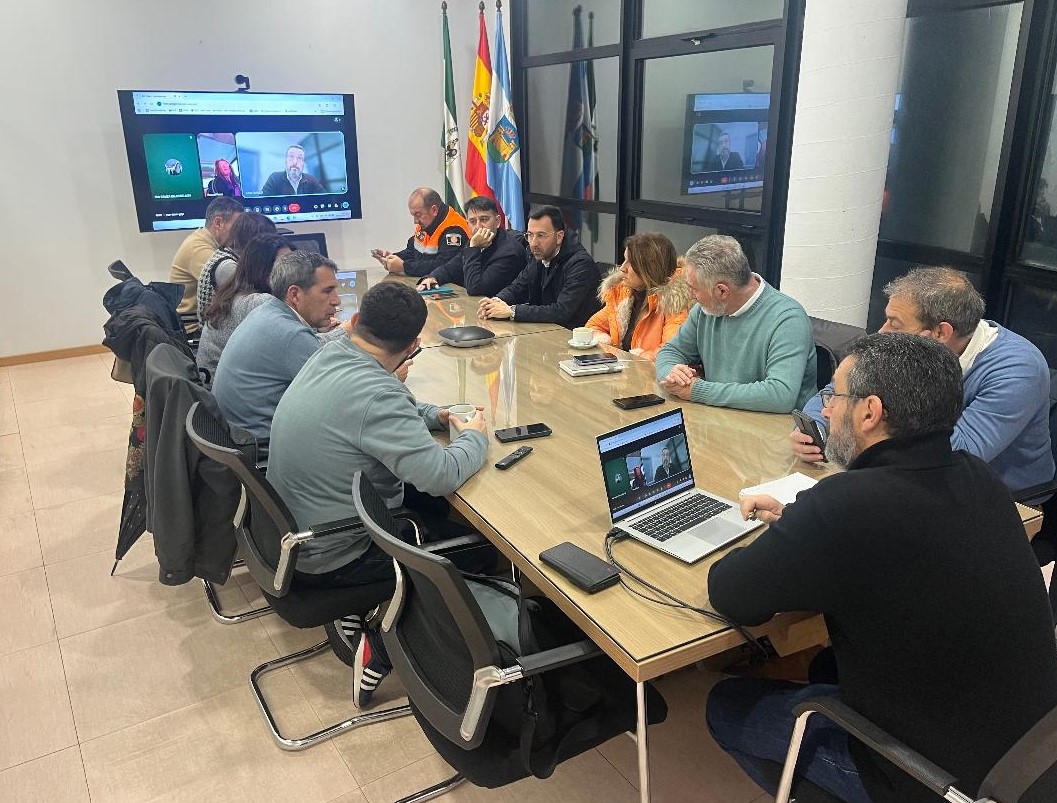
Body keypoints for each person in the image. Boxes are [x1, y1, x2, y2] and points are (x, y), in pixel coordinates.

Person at [705, 333, 1057, 803]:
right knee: (827, 663)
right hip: (1029, 753)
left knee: (724, 706)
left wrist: (803, 526)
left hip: (936, 783)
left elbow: (731, 594)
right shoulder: (980, 478)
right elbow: (895, 539)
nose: (825, 410)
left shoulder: (842, 508)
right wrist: (800, 520)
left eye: (834, 395)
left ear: (870, 412)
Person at [267, 282, 491, 705]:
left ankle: (360, 612)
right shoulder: (377, 392)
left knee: (433, 512)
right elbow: (439, 475)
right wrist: (474, 437)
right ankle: (383, 646)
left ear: (355, 322)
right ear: (413, 345)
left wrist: (437, 415)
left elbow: (388, 406)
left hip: (296, 532)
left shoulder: (332, 352)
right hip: (335, 554)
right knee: (480, 552)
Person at [792, 266, 1054, 493]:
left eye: (895, 323)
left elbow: (956, 453)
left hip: (1002, 497)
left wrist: (852, 431)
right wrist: (817, 430)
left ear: (941, 332)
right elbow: (838, 389)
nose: (883, 332)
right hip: (907, 475)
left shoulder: (1017, 370)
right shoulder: (910, 348)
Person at [655, 235, 816, 413]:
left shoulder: (788, 319)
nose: (691, 296)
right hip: (719, 418)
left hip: (775, 431)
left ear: (721, 291)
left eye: (694, 289)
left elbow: (780, 395)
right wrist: (672, 375)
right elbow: (671, 351)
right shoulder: (706, 310)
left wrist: (697, 390)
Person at [212, 251, 346, 439]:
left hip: (241, 437)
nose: (337, 300)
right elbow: (341, 400)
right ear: (295, 295)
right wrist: (387, 371)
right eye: (327, 291)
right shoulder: (292, 335)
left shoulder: (267, 312)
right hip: (265, 446)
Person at [478, 205, 602, 329]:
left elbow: (561, 311)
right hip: (545, 331)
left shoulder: (581, 264)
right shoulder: (539, 254)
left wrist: (512, 311)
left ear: (559, 236)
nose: (533, 243)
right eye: (530, 235)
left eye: (541, 235)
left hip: (575, 337)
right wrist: (496, 302)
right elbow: (518, 287)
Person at [196, 233, 291, 380]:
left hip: (214, 390)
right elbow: (297, 344)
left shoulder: (236, 292)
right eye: (284, 265)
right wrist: (340, 330)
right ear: (262, 269)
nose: (292, 271)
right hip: (222, 396)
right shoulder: (257, 303)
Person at [585, 232, 692, 359]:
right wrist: (605, 342)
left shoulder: (674, 302)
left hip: (650, 376)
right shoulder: (623, 293)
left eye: (630, 262)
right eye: (624, 260)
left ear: (650, 268)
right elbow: (593, 327)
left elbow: (671, 353)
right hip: (622, 372)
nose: (622, 268)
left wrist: (641, 358)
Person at [416, 195, 527, 296]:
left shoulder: (509, 252)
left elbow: (476, 289)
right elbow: (451, 267)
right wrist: (433, 277)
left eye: (484, 219)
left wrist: (474, 248)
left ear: (497, 221)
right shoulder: (476, 241)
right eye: (473, 221)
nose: (478, 227)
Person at [169, 196, 243, 331]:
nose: (240, 232)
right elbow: (237, 286)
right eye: (237, 226)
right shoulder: (198, 248)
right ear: (218, 223)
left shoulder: (204, 240)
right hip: (193, 327)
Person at [195, 212, 277, 324]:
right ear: (255, 242)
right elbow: (253, 306)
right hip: (220, 331)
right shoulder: (227, 266)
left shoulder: (230, 255)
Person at [371, 187, 471, 278]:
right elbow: (412, 251)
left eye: (418, 214)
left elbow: (442, 266)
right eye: (413, 215)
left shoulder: (454, 230)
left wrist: (403, 267)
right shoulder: (427, 222)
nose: (415, 221)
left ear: (434, 210)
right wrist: (392, 257)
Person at [260, 144, 325, 196]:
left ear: (303, 163)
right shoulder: (274, 178)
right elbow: (262, 201)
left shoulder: (311, 180)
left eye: (299, 158)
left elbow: (327, 199)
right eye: (291, 156)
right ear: (286, 161)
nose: (295, 162)